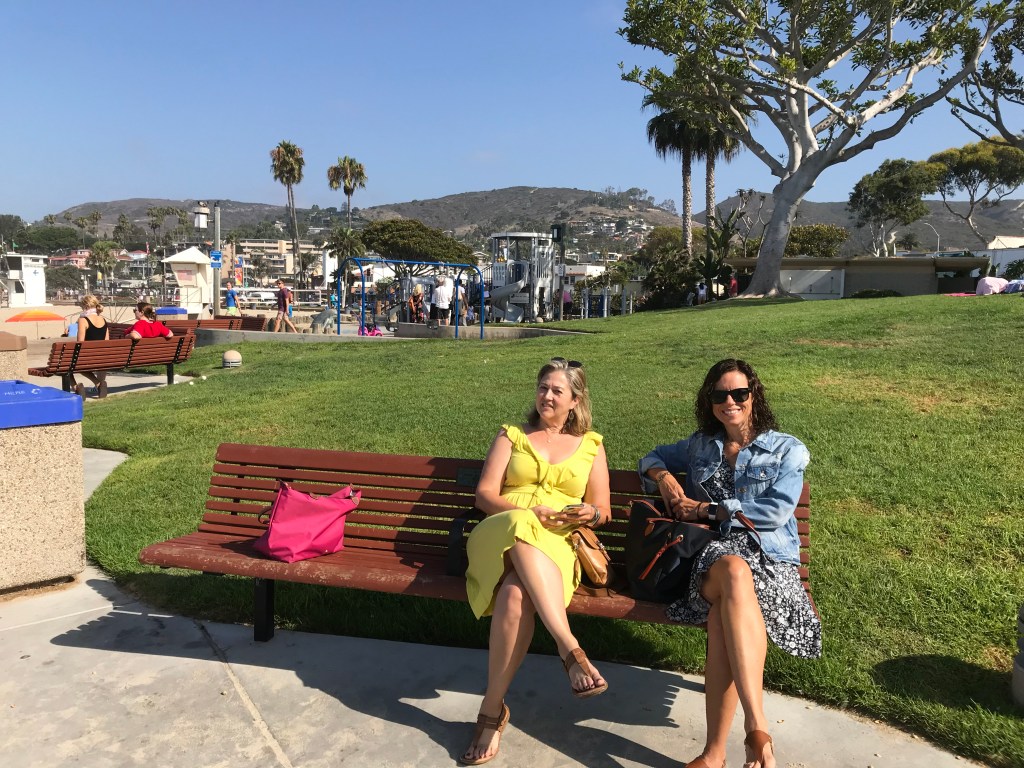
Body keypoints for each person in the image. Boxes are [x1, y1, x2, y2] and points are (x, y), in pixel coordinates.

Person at [637, 359, 820, 768]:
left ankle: (714, 754)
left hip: (770, 561)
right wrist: (664, 478)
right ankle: (757, 730)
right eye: (720, 394)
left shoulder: (787, 449)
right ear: (710, 400)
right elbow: (650, 457)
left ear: (754, 396)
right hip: (713, 558)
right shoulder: (701, 445)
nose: (730, 402)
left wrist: (709, 509)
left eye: (739, 393)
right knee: (734, 571)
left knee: (724, 615)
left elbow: (775, 512)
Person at [461, 358, 611, 766]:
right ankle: (569, 648)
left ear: (575, 400)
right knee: (522, 525)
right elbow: (484, 496)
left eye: (557, 391)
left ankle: (491, 710)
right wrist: (528, 513)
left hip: (557, 544)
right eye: (543, 387)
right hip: (500, 532)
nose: (547, 396)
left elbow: (603, 510)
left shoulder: (591, 445)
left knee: (514, 597)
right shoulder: (512, 435)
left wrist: (588, 513)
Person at [71, 294, 110, 398]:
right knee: (70, 365)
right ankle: (98, 384)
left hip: (87, 357)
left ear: (85, 306)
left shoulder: (83, 320)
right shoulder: (103, 320)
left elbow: (80, 342)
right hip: (101, 357)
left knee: (65, 367)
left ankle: (76, 388)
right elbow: (106, 341)